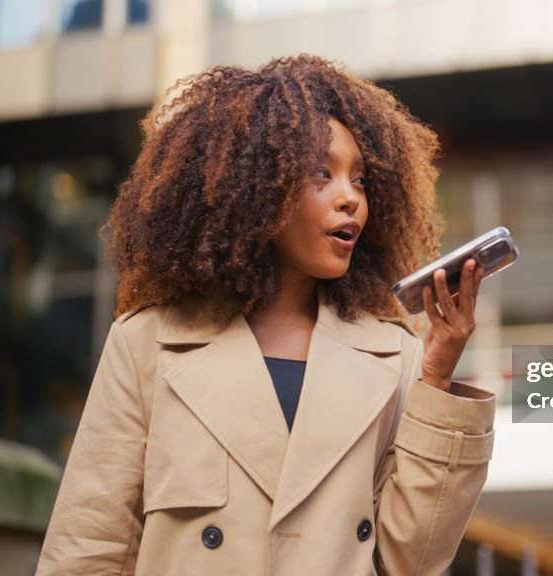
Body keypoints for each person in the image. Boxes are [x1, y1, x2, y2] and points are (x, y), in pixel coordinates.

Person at [35, 55, 496, 575]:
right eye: (322, 174)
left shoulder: (399, 358)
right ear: (253, 188)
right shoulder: (147, 344)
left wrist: (436, 376)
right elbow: (88, 548)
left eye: (361, 180)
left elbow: (411, 562)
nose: (351, 199)